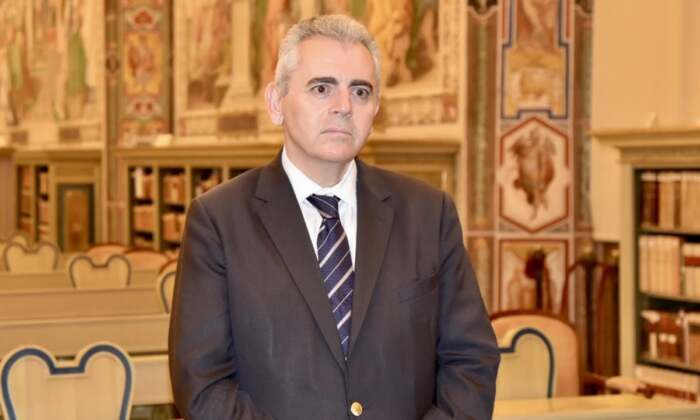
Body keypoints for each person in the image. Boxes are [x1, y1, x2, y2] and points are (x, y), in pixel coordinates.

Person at [169, 14, 500, 420]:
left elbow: (471, 360)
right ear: (276, 103)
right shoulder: (218, 221)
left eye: (360, 91)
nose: (343, 107)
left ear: (375, 109)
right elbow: (203, 384)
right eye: (321, 88)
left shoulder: (429, 214)